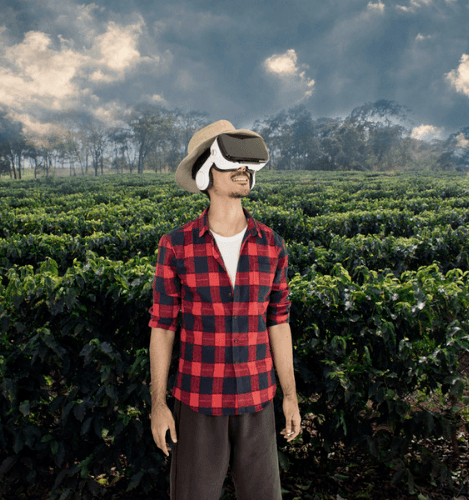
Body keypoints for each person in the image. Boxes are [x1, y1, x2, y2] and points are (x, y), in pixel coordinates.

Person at [148, 120, 301, 500]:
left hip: (257, 398)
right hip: (198, 400)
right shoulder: (176, 245)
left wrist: (289, 395)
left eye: (247, 165)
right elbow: (163, 326)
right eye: (231, 164)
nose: (243, 172)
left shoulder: (272, 245)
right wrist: (158, 404)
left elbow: (278, 323)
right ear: (205, 172)